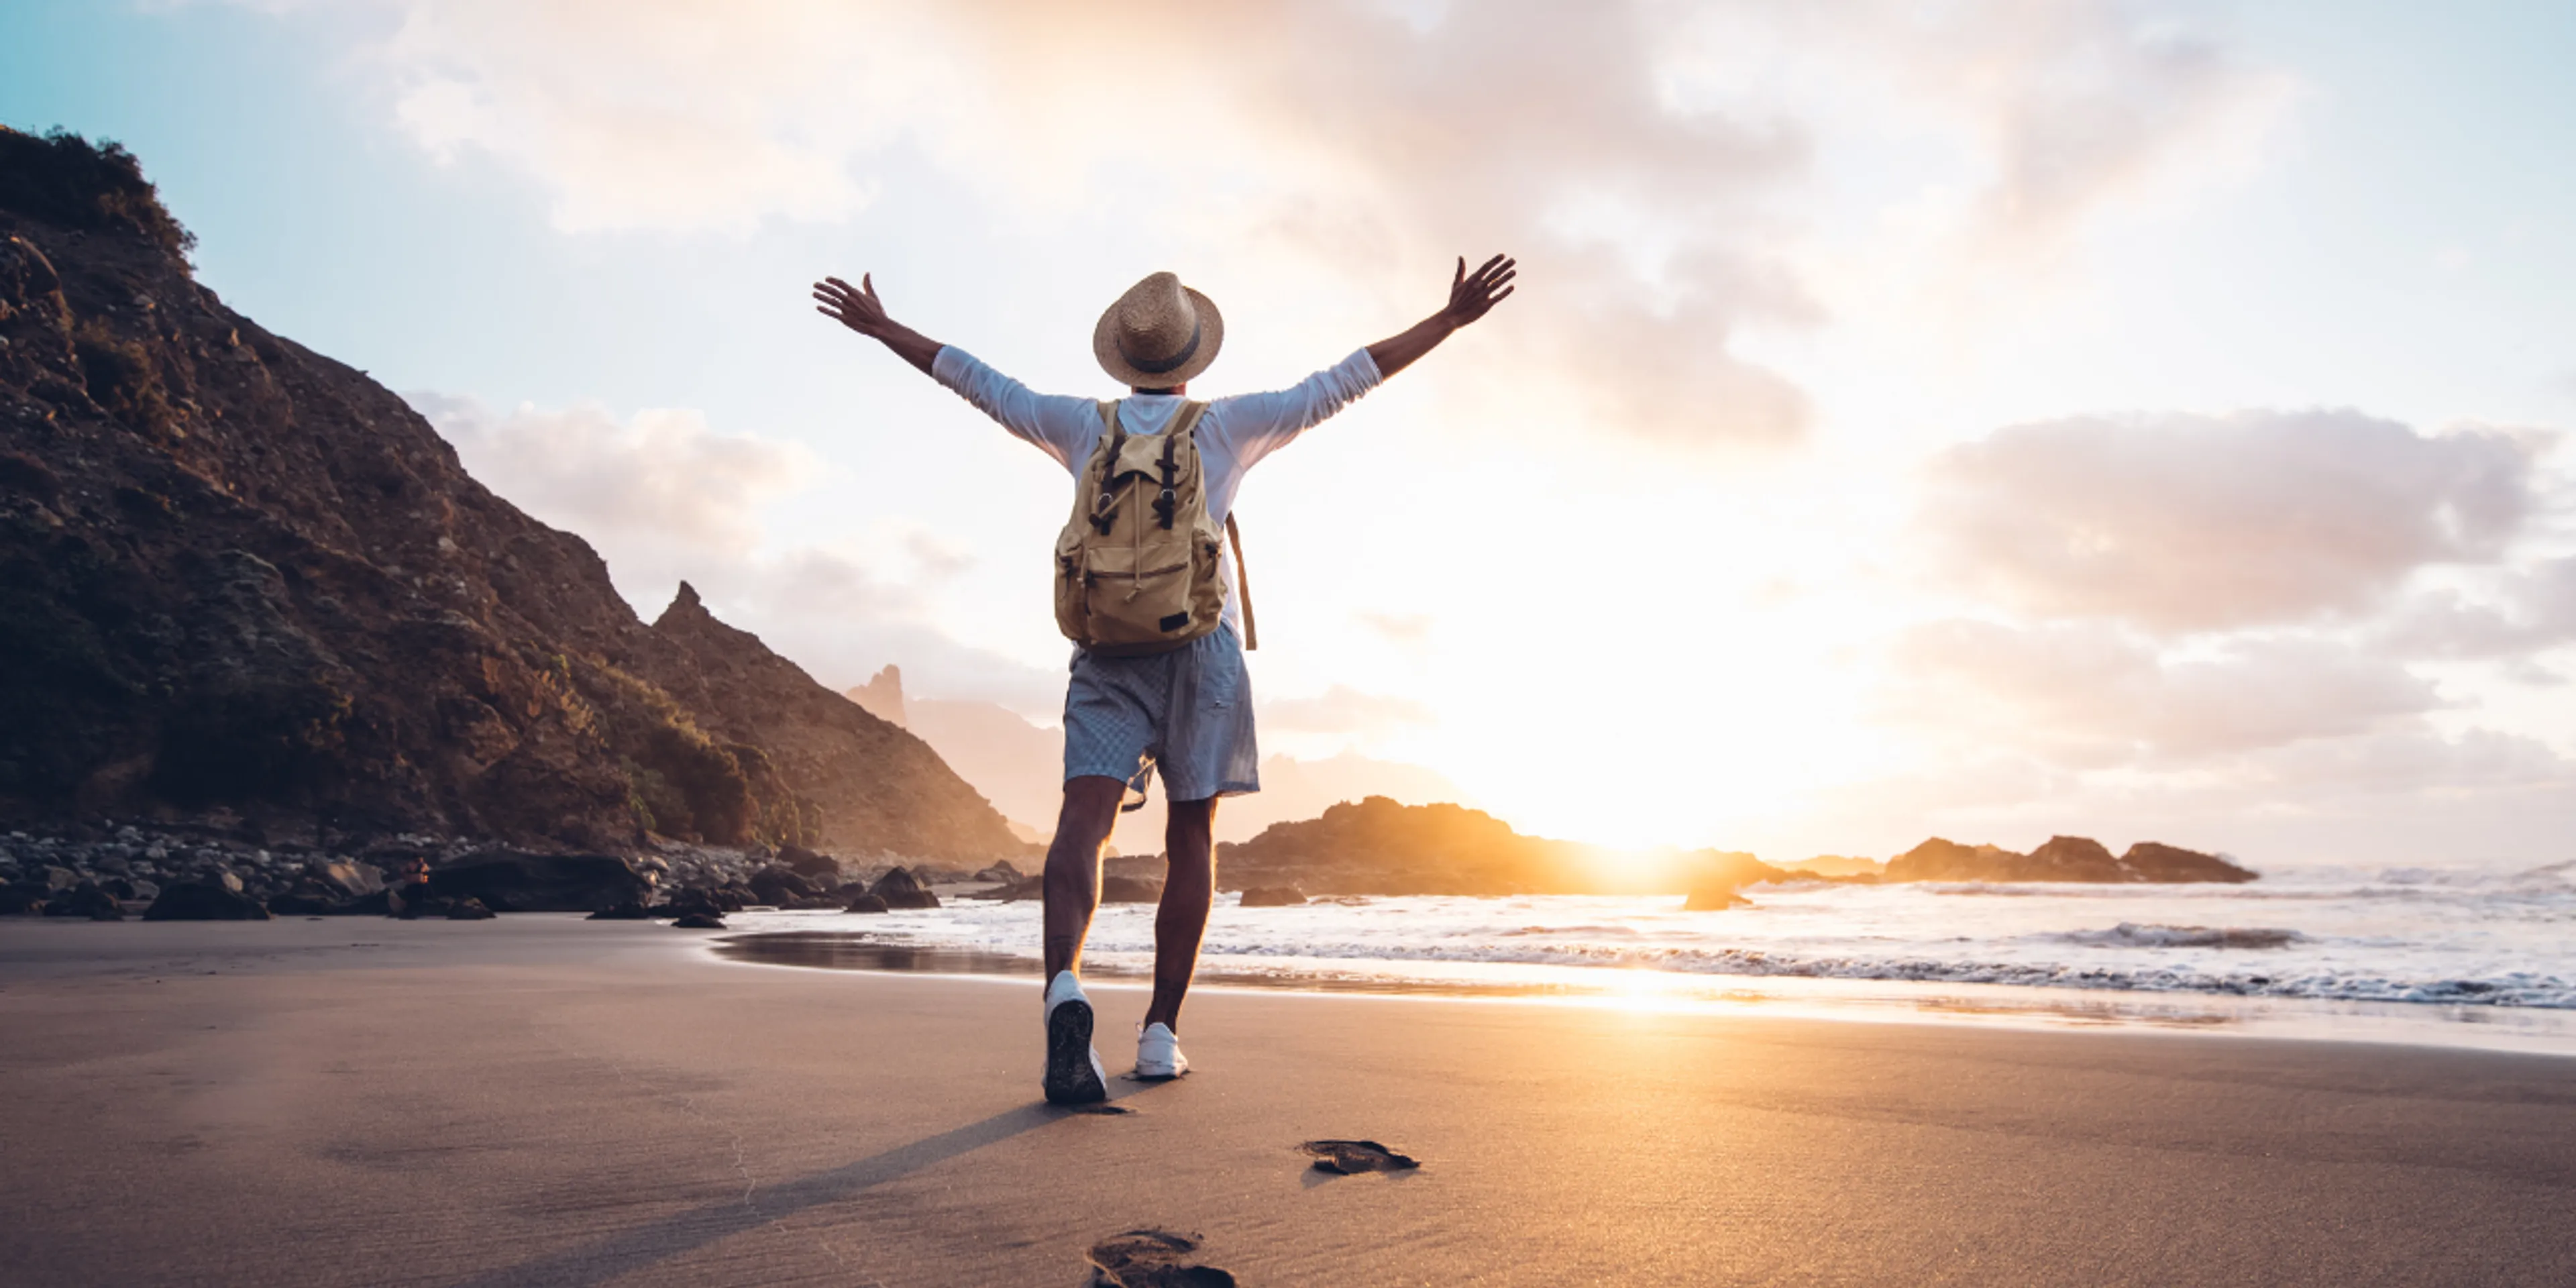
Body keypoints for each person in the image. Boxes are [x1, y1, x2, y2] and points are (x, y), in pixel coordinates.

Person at [812, 254, 1515, 1104]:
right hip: (1200, 651)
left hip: (1107, 651)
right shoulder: (1228, 428)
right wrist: (1446, 322)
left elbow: (978, 381)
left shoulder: (1079, 425)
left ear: (1124, 357)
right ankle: (1157, 1036)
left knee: (1085, 821)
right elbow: (1345, 381)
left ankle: (1065, 989)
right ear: (1189, 361)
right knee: (1191, 834)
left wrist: (885, 329)